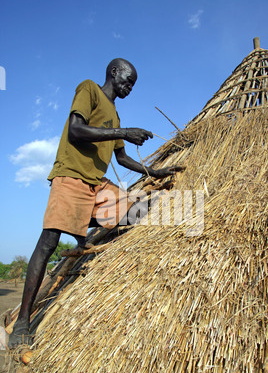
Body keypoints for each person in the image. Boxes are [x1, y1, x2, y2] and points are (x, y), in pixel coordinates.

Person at [8, 58, 184, 349]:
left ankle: (78, 225)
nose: (129, 88)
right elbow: (75, 131)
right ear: (113, 73)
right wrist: (123, 132)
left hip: (97, 186)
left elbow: (122, 159)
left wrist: (155, 172)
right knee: (49, 242)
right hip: (72, 177)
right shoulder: (89, 89)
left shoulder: (114, 116)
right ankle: (23, 323)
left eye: (133, 85)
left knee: (137, 211)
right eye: (127, 80)